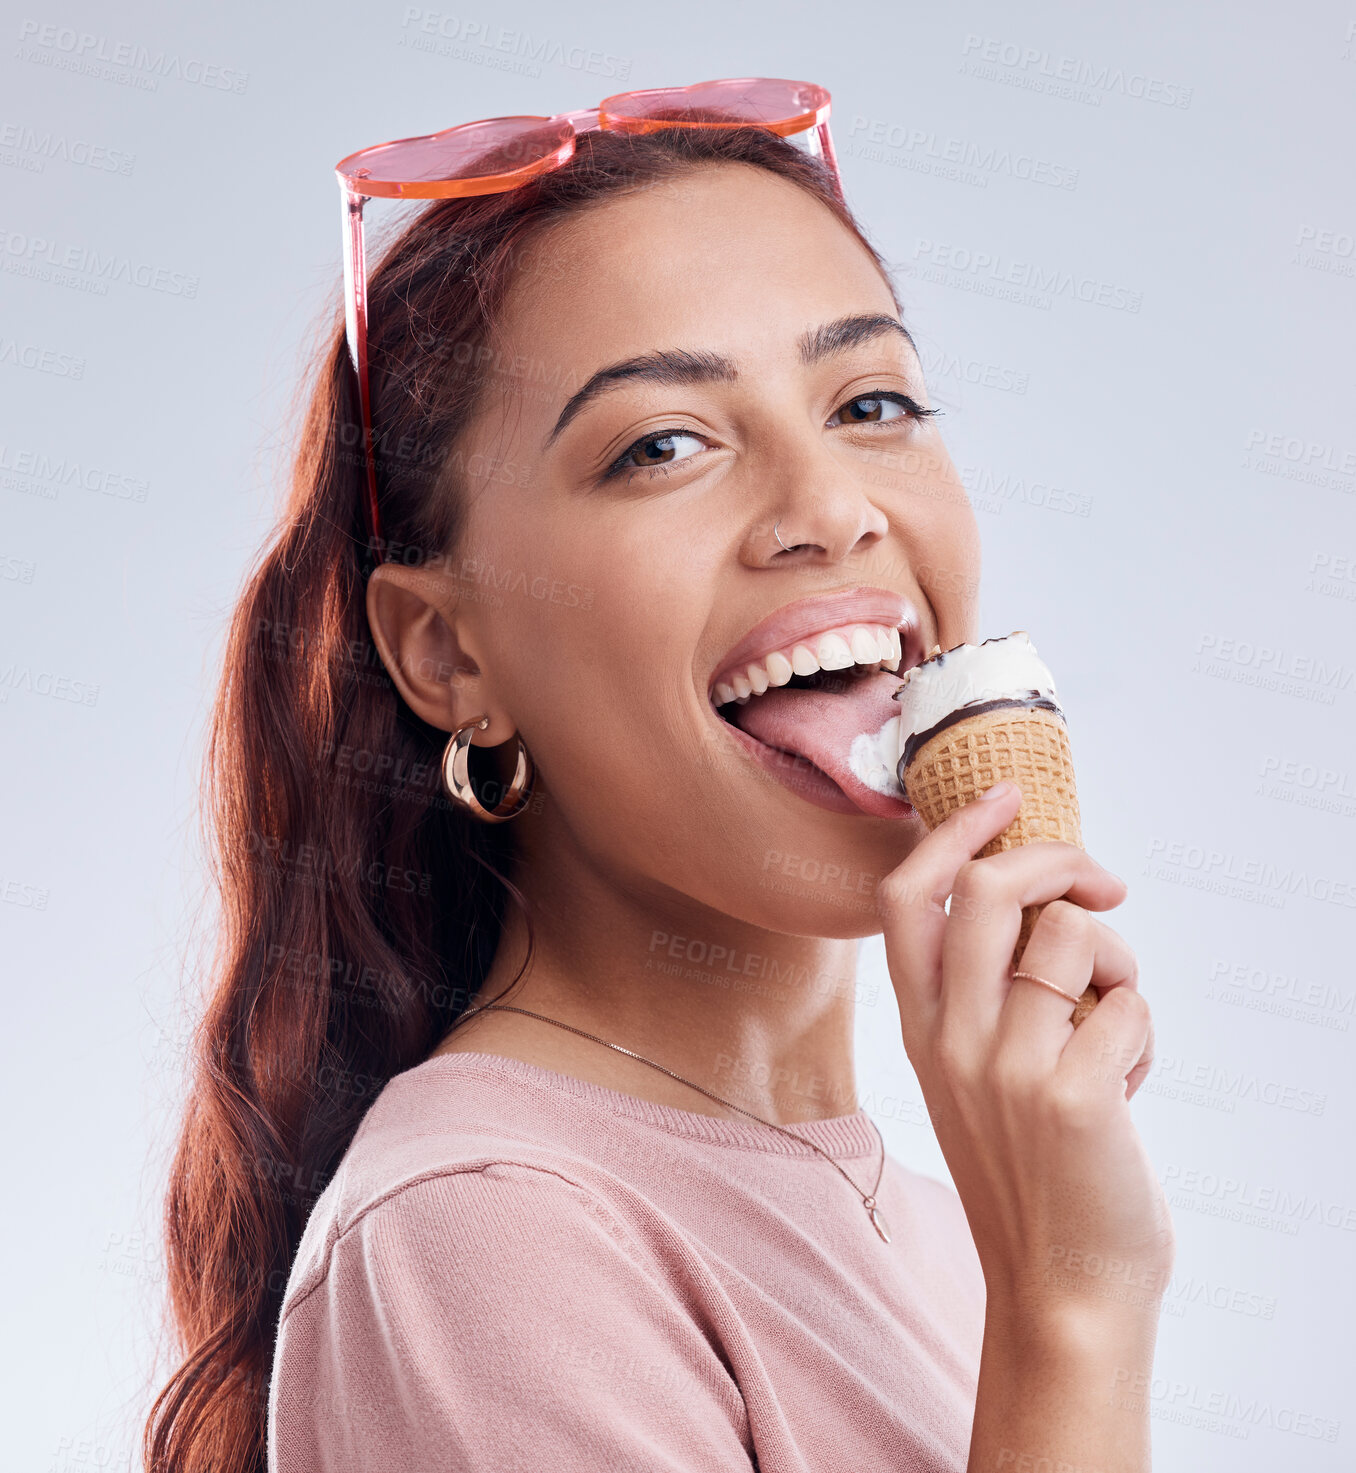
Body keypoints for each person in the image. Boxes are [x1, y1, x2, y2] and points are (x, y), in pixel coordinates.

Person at [145, 115, 1171, 1473]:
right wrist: (1076, 1314)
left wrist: (1053, 1285)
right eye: (665, 445)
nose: (831, 506)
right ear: (451, 654)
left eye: (872, 404)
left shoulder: (953, 1225)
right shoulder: (487, 1231)